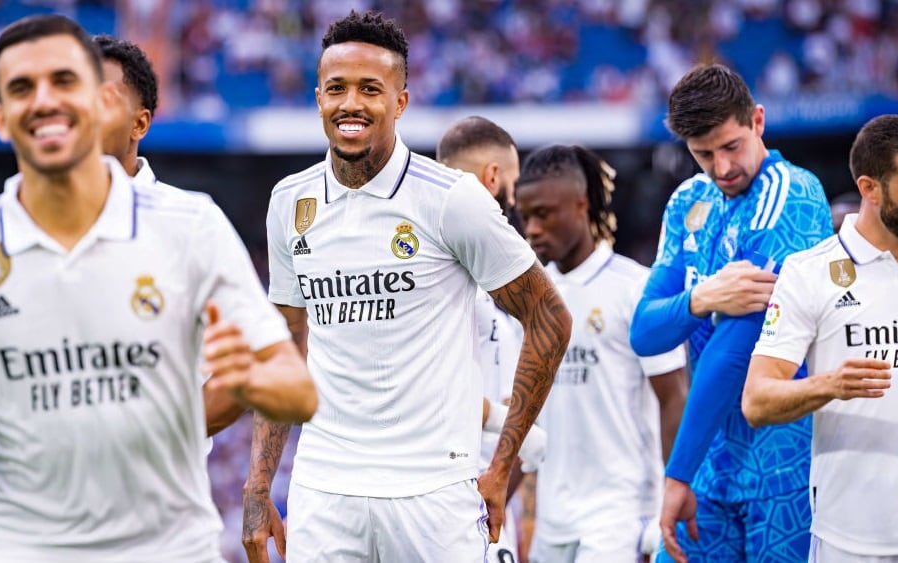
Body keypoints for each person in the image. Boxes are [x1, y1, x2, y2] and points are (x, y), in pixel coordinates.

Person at [0, 14, 316, 561]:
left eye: (73, 85)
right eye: (24, 88)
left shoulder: (191, 225)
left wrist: (248, 386)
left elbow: (291, 384)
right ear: (0, 118)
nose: (52, 102)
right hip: (18, 546)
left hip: (163, 544)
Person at [244, 10, 571, 563]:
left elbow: (548, 317)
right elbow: (286, 349)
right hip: (325, 491)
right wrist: (257, 485)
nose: (351, 104)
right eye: (337, 89)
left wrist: (501, 466)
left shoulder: (450, 198)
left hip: (435, 493)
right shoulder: (288, 202)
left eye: (370, 89)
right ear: (318, 98)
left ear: (400, 102)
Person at [628, 63, 832, 562]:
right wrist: (702, 299)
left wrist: (676, 472)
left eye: (731, 146)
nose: (720, 168)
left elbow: (738, 348)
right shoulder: (687, 202)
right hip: (709, 463)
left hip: (781, 465)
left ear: (758, 121)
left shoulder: (792, 195)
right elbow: (644, 332)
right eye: (703, 154)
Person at [744, 114, 898, 562]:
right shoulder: (809, 272)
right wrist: (830, 385)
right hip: (850, 535)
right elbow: (757, 401)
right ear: (869, 188)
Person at [514, 144, 688, 562]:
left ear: (581, 204)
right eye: (526, 217)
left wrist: (673, 494)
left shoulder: (636, 289)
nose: (532, 229)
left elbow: (674, 398)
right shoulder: (529, 300)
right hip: (552, 517)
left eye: (543, 214)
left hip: (622, 513)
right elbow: (523, 412)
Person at [437, 115, 547, 563]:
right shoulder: (442, 271)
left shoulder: (484, 271)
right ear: (493, 176)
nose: (515, 200)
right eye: (514, 184)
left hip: (487, 486)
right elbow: (430, 383)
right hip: (451, 491)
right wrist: (507, 425)